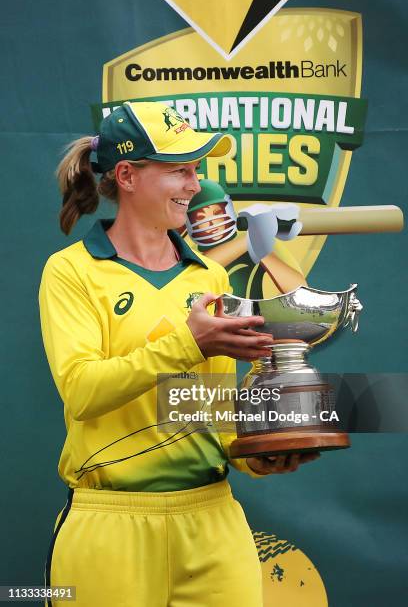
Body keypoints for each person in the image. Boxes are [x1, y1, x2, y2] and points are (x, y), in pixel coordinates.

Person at [39, 101, 319, 607]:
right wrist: (189, 343)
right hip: (109, 523)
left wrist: (261, 454)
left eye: (196, 171)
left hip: (213, 521)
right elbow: (82, 391)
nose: (195, 186)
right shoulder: (70, 271)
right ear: (127, 175)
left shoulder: (208, 276)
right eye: (180, 171)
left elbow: (209, 409)